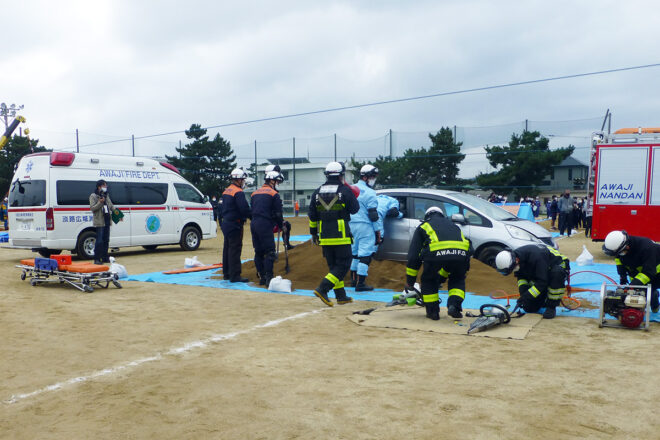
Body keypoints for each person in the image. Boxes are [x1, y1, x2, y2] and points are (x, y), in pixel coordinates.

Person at [405, 207, 472, 320]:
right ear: (442, 215)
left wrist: (410, 282)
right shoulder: (453, 225)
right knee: (457, 279)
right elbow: (452, 256)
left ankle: (433, 312)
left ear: (426, 217)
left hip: (435, 254)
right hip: (461, 254)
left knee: (429, 279)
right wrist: (441, 278)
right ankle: (454, 306)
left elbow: (413, 257)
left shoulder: (424, 226)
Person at [308, 161, 360, 307]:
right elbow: (355, 209)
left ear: (327, 175)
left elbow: (312, 216)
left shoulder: (317, 192)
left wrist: (314, 233)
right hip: (341, 235)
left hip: (324, 236)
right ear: (341, 175)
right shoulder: (344, 190)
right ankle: (323, 288)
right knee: (343, 265)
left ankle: (341, 296)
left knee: (333, 266)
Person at [495, 244, 570, 319]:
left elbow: (542, 282)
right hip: (542, 270)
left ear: (516, 260)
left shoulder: (537, 257)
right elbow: (521, 277)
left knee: (556, 273)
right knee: (529, 308)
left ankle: (552, 306)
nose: (513, 271)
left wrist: (527, 296)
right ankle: (544, 298)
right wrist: (524, 295)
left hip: (557, 266)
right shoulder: (515, 258)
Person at [602, 230, 660, 312]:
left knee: (647, 290)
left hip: (655, 272)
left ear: (627, 247)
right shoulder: (621, 249)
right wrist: (622, 275)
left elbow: (648, 272)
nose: (618, 255)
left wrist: (632, 285)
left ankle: (655, 304)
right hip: (639, 271)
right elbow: (619, 260)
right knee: (637, 293)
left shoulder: (647, 248)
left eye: (620, 252)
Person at [348, 164, 381, 291]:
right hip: (365, 226)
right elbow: (373, 214)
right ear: (366, 177)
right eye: (373, 177)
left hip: (351, 225)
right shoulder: (370, 193)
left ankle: (353, 281)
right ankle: (361, 284)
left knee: (355, 253)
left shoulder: (351, 189)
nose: (374, 179)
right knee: (365, 255)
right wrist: (377, 231)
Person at [250, 171, 284, 286]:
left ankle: (262, 277)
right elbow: (278, 213)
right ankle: (269, 278)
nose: (278, 184)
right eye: (277, 181)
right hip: (264, 224)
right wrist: (280, 225)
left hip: (254, 223)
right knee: (270, 252)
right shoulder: (274, 194)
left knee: (258, 252)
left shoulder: (254, 193)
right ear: (272, 181)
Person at [221, 168, 251, 283]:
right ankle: (235, 275)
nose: (243, 182)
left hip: (226, 223)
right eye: (242, 179)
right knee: (235, 249)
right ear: (238, 179)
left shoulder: (227, 190)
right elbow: (243, 208)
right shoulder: (238, 192)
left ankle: (226, 273)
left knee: (227, 248)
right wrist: (252, 216)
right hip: (235, 224)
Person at [89, 179, 116, 264]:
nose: (106, 187)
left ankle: (105, 257)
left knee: (106, 239)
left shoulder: (106, 195)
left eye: (106, 185)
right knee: (99, 240)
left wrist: (118, 214)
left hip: (107, 219)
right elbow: (92, 208)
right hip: (100, 221)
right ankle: (97, 259)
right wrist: (100, 203)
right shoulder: (93, 196)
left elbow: (111, 206)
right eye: (104, 185)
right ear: (99, 186)